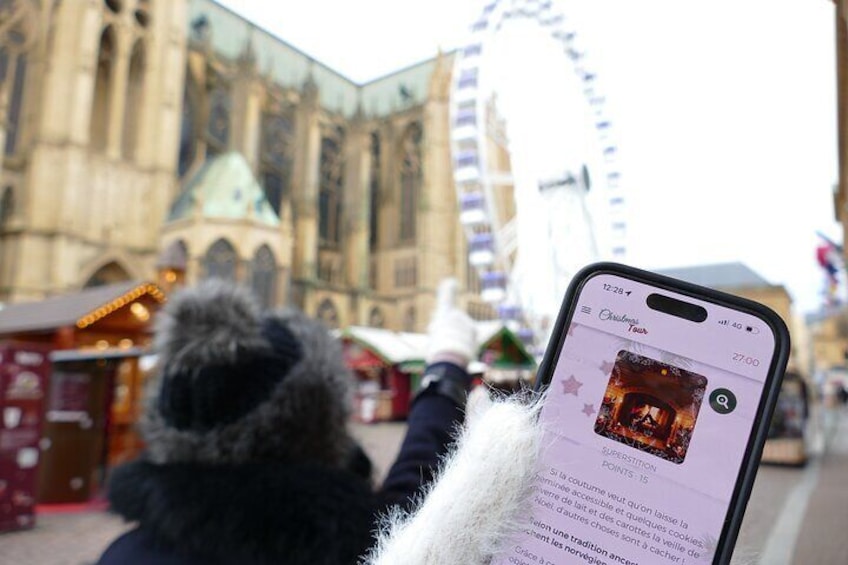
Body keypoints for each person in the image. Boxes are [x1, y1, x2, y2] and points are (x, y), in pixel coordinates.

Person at [96, 278, 483, 564]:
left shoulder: (123, 555)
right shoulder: (355, 549)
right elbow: (407, 498)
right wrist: (446, 369)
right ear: (320, 424)